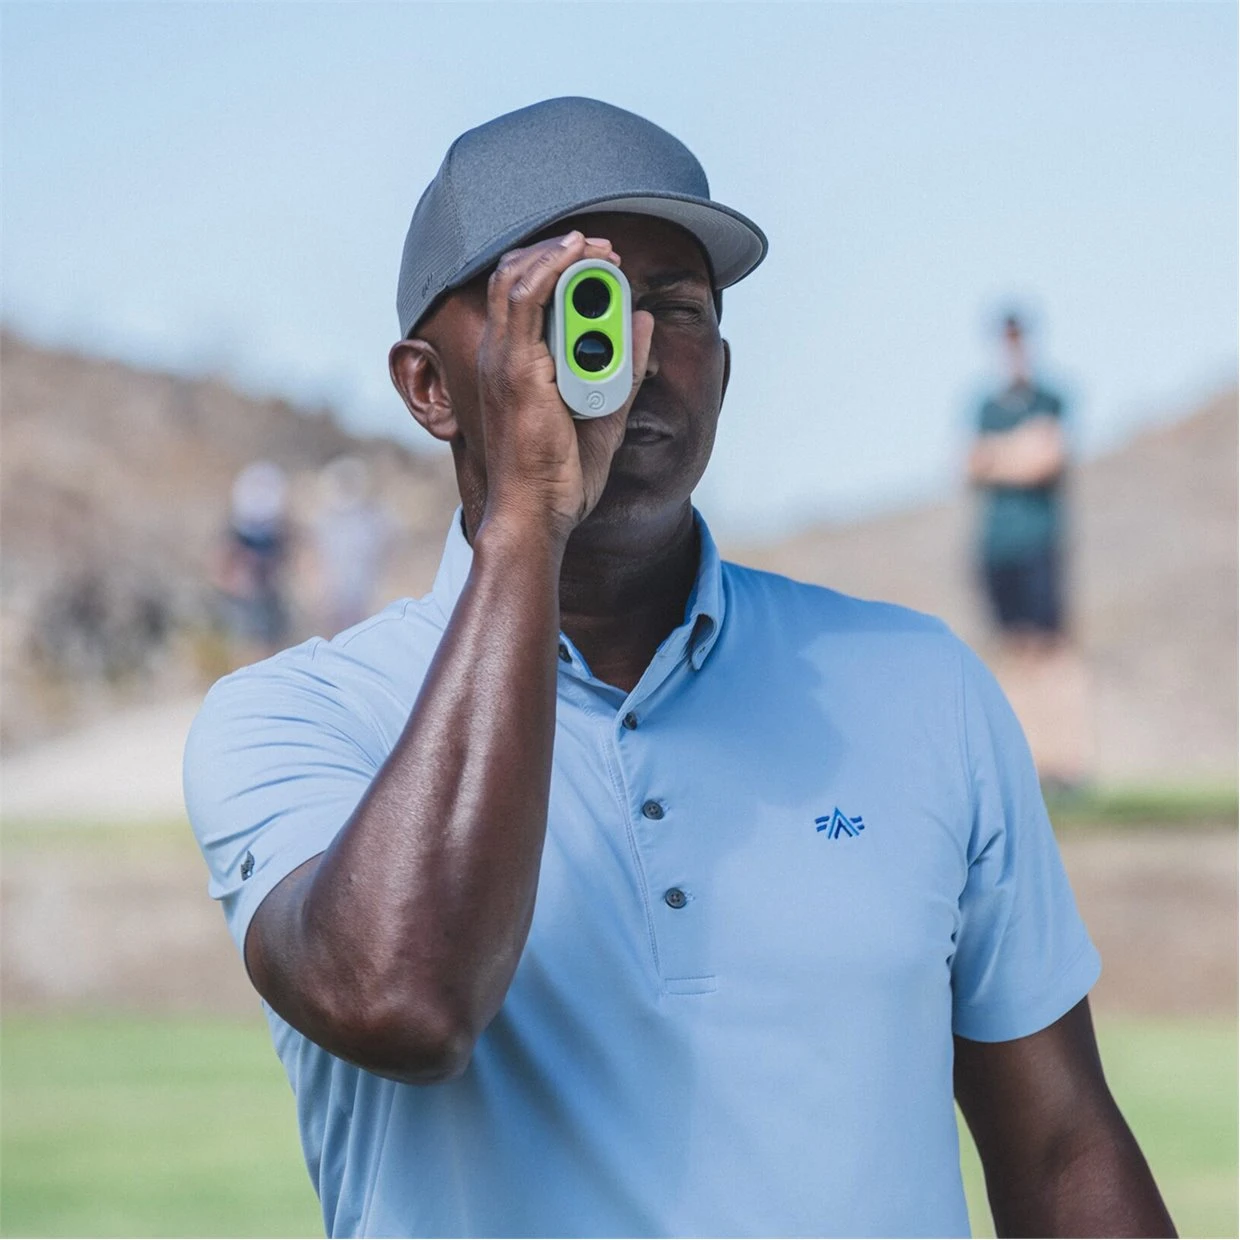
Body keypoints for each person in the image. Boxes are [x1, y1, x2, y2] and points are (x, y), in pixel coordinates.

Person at [184, 98, 1173, 1238]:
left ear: (726, 369)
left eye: (680, 306)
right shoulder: (298, 718)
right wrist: (530, 517)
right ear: (431, 387)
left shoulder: (920, 687)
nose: (639, 350)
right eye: (573, 303)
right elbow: (403, 998)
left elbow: (1061, 1151)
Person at [968, 315, 1091, 791]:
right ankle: (1029, 763)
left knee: (1052, 649)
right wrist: (1017, 450)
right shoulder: (986, 406)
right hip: (996, 546)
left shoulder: (1049, 399)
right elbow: (969, 464)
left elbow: (1045, 460)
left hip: (1039, 541)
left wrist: (999, 456)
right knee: (1013, 649)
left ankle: (1069, 765)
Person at [208, 460, 293, 666]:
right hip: (242, 601)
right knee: (246, 650)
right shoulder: (235, 534)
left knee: (270, 648)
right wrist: (235, 586)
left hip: (268, 597)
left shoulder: (276, 531)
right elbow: (218, 568)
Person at [310, 455, 394, 636]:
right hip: (334, 590)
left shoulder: (371, 517)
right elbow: (318, 556)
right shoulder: (325, 519)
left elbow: (386, 546)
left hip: (363, 589)